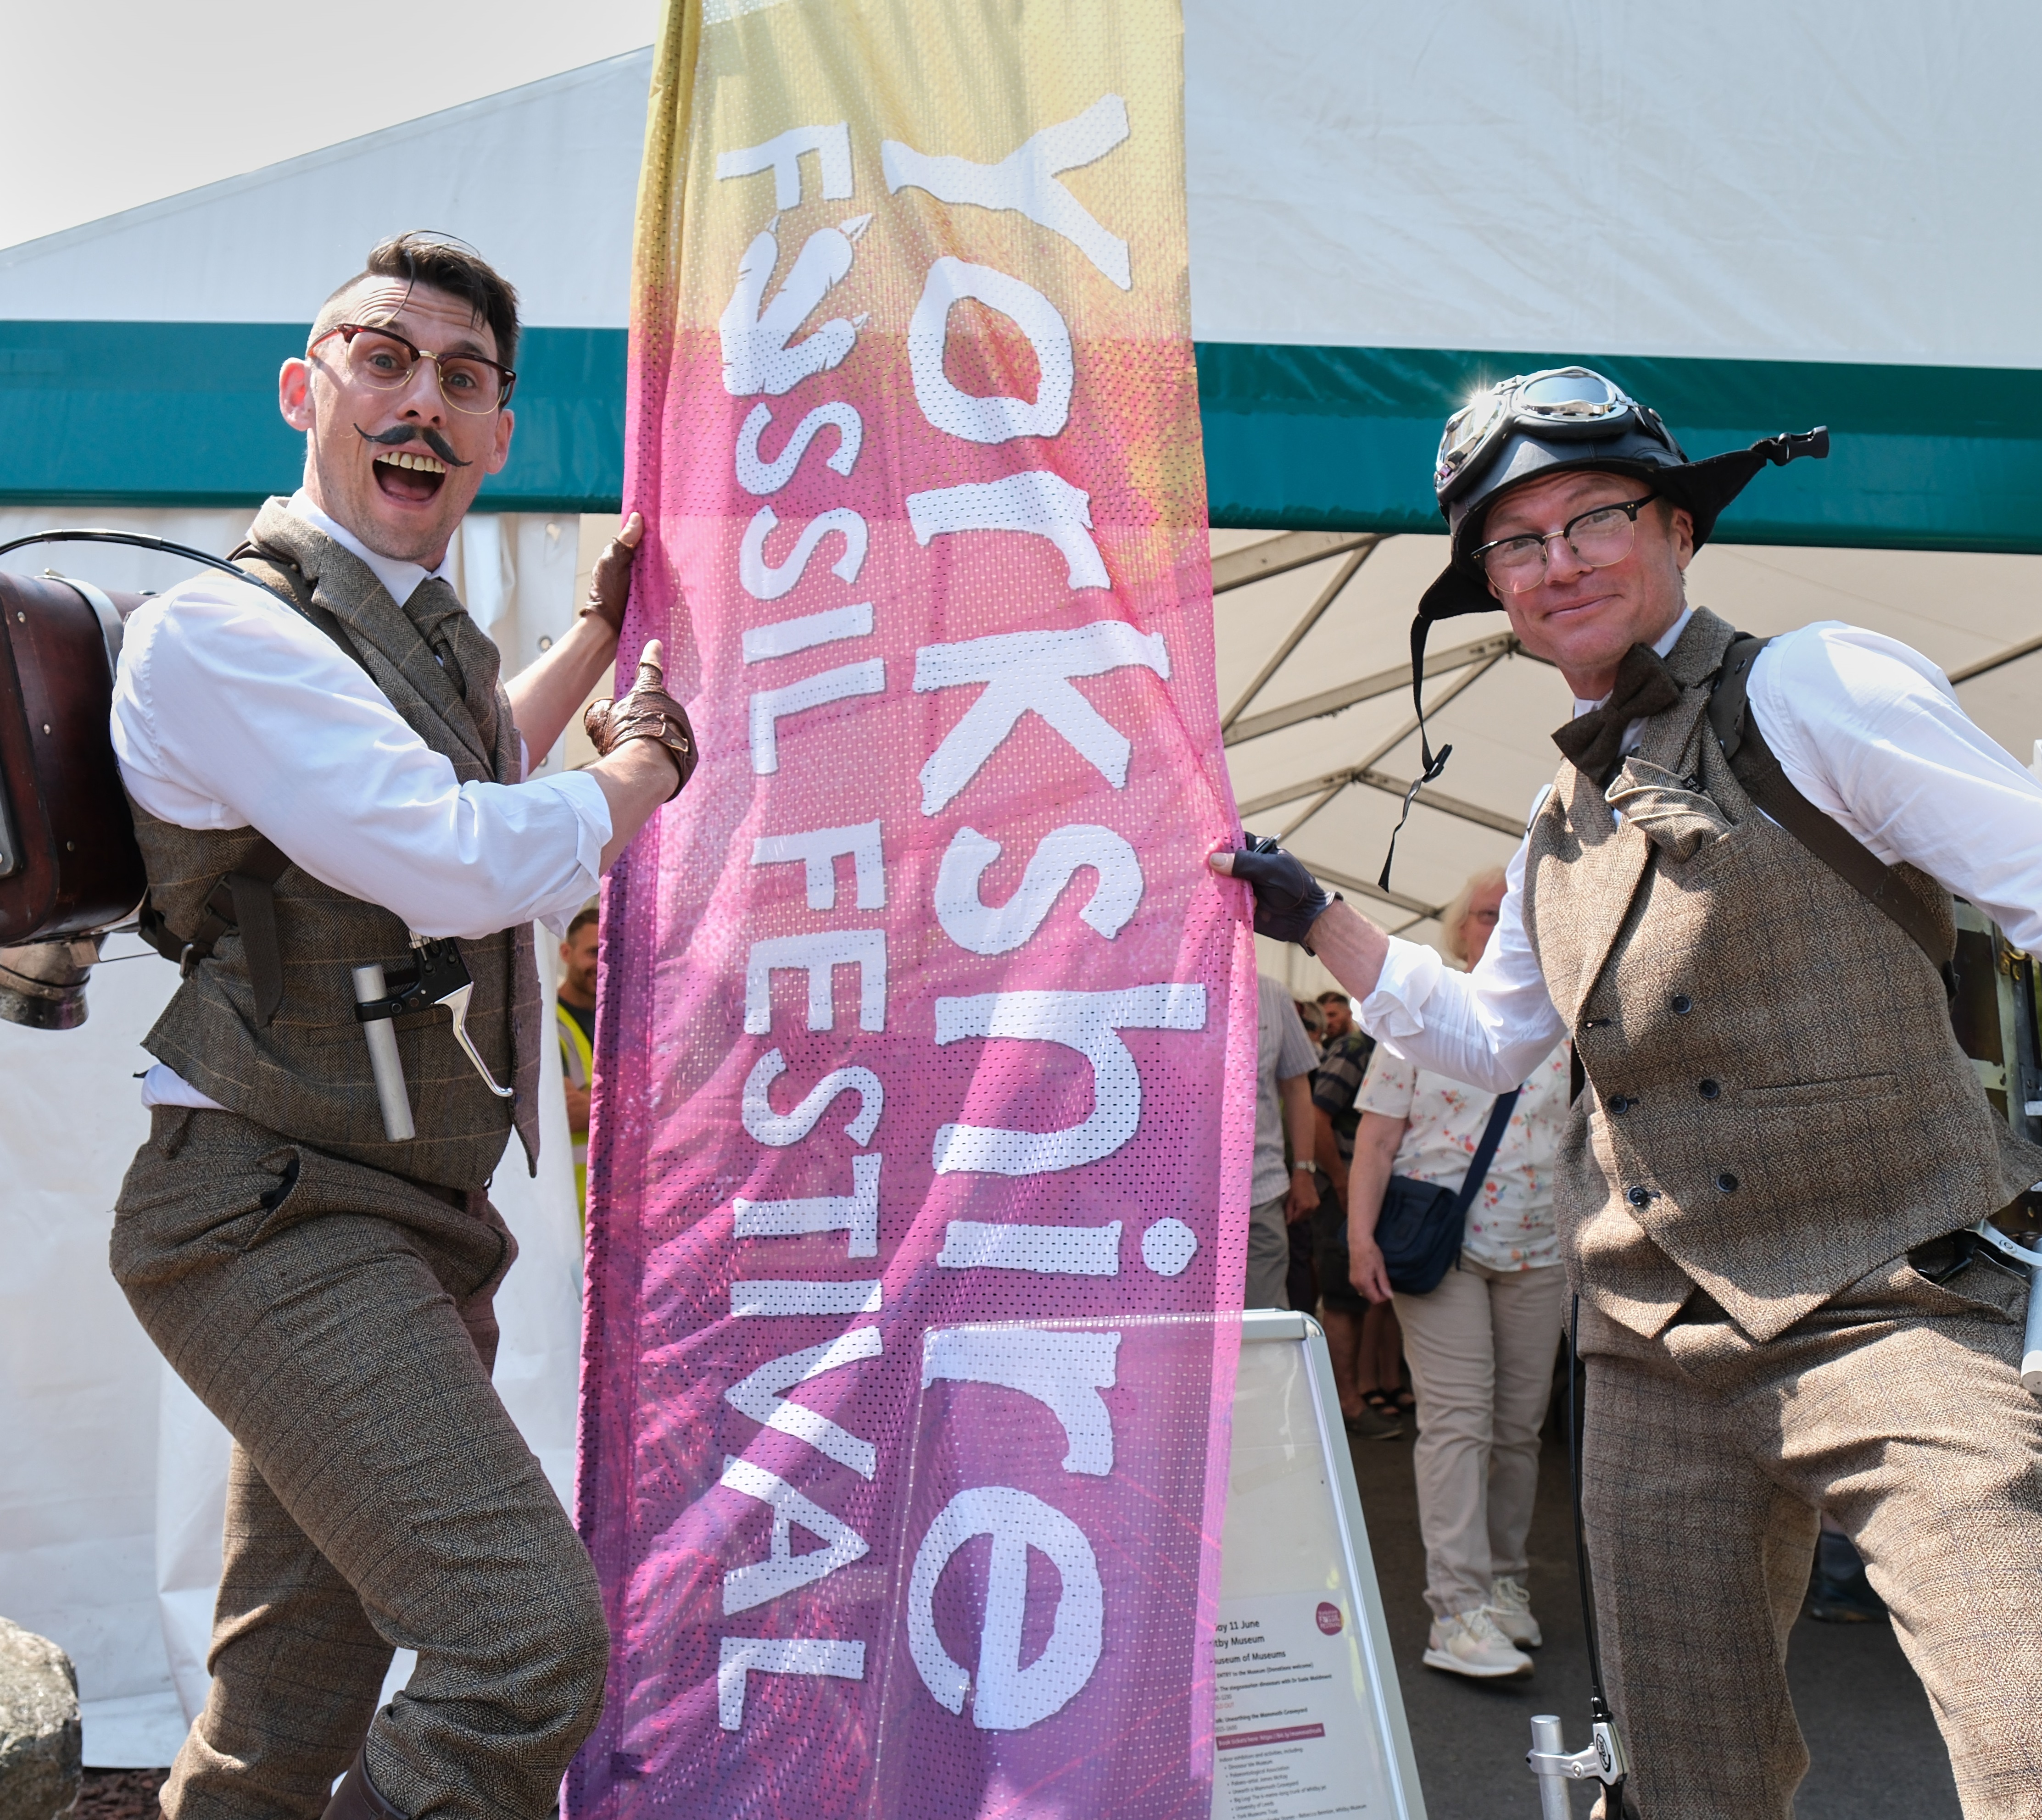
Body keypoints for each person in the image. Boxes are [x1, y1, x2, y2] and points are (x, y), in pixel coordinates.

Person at [1212, 365, 2042, 1820]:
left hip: (1893, 1298)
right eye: (1514, 543)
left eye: (1591, 517)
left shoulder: (1814, 684)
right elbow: (1484, 1039)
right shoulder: (1551, 821)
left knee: (2022, 1716)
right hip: (1654, 1346)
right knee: (1684, 1779)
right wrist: (1320, 919)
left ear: (1675, 528)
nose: (1556, 562)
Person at [107, 234, 696, 1820]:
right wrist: (641, 769)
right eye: (385, 361)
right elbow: (440, 848)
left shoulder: (410, 636)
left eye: (462, 377)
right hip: (277, 1218)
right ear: (309, 391)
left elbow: (465, 758)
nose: (420, 401)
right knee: (522, 1645)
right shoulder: (221, 632)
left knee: (281, 1712)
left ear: (501, 433)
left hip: (389, 1219)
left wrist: (589, 638)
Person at [1345, 865, 1570, 1680]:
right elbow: (1374, 1139)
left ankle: (1504, 1582)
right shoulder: (1425, 1012)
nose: (1502, 924)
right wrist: (1359, 1238)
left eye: (1516, 913)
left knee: (1517, 1430)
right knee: (1459, 1423)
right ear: (1459, 928)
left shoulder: (1563, 1020)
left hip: (1542, 1248)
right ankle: (1457, 1610)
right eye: (1486, 913)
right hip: (1441, 1246)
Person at [1309, 986, 1404, 1440]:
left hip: (1366, 1190)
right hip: (1344, 1190)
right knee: (1343, 1298)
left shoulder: (1390, 1047)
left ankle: (1361, 1392)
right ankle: (1343, 1405)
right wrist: (1342, 1183)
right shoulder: (1354, 1048)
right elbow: (1316, 1117)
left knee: (1365, 1297)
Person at [1248, 973, 1320, 1309]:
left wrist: (1304, 1170)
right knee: (1179, 1337)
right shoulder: (1154, 986)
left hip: (1257, 1192)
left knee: (1263, 1332)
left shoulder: (1271, 994)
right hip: (1169, 1203)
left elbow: (1296, 1084)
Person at [556, 904, 599, 1223]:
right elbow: (566, 1113)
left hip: (620, 1211)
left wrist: (595, 1107)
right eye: (594, 952)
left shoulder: (628, 1022)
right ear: (566, 952)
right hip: (572, 1215)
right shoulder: (547, 1024)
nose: (603, 963)